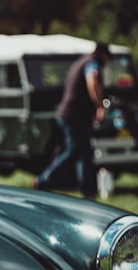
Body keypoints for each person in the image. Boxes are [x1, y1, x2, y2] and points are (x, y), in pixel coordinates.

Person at [34, 42, 111, 198]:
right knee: (74, 150)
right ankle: (43, 180)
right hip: (74, 115)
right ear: (104, 55)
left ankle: (87, 190)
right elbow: (92, 81)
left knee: (83, 153)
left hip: (71, 114)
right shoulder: (92, 63)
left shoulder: (81, 60)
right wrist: (99, 105)